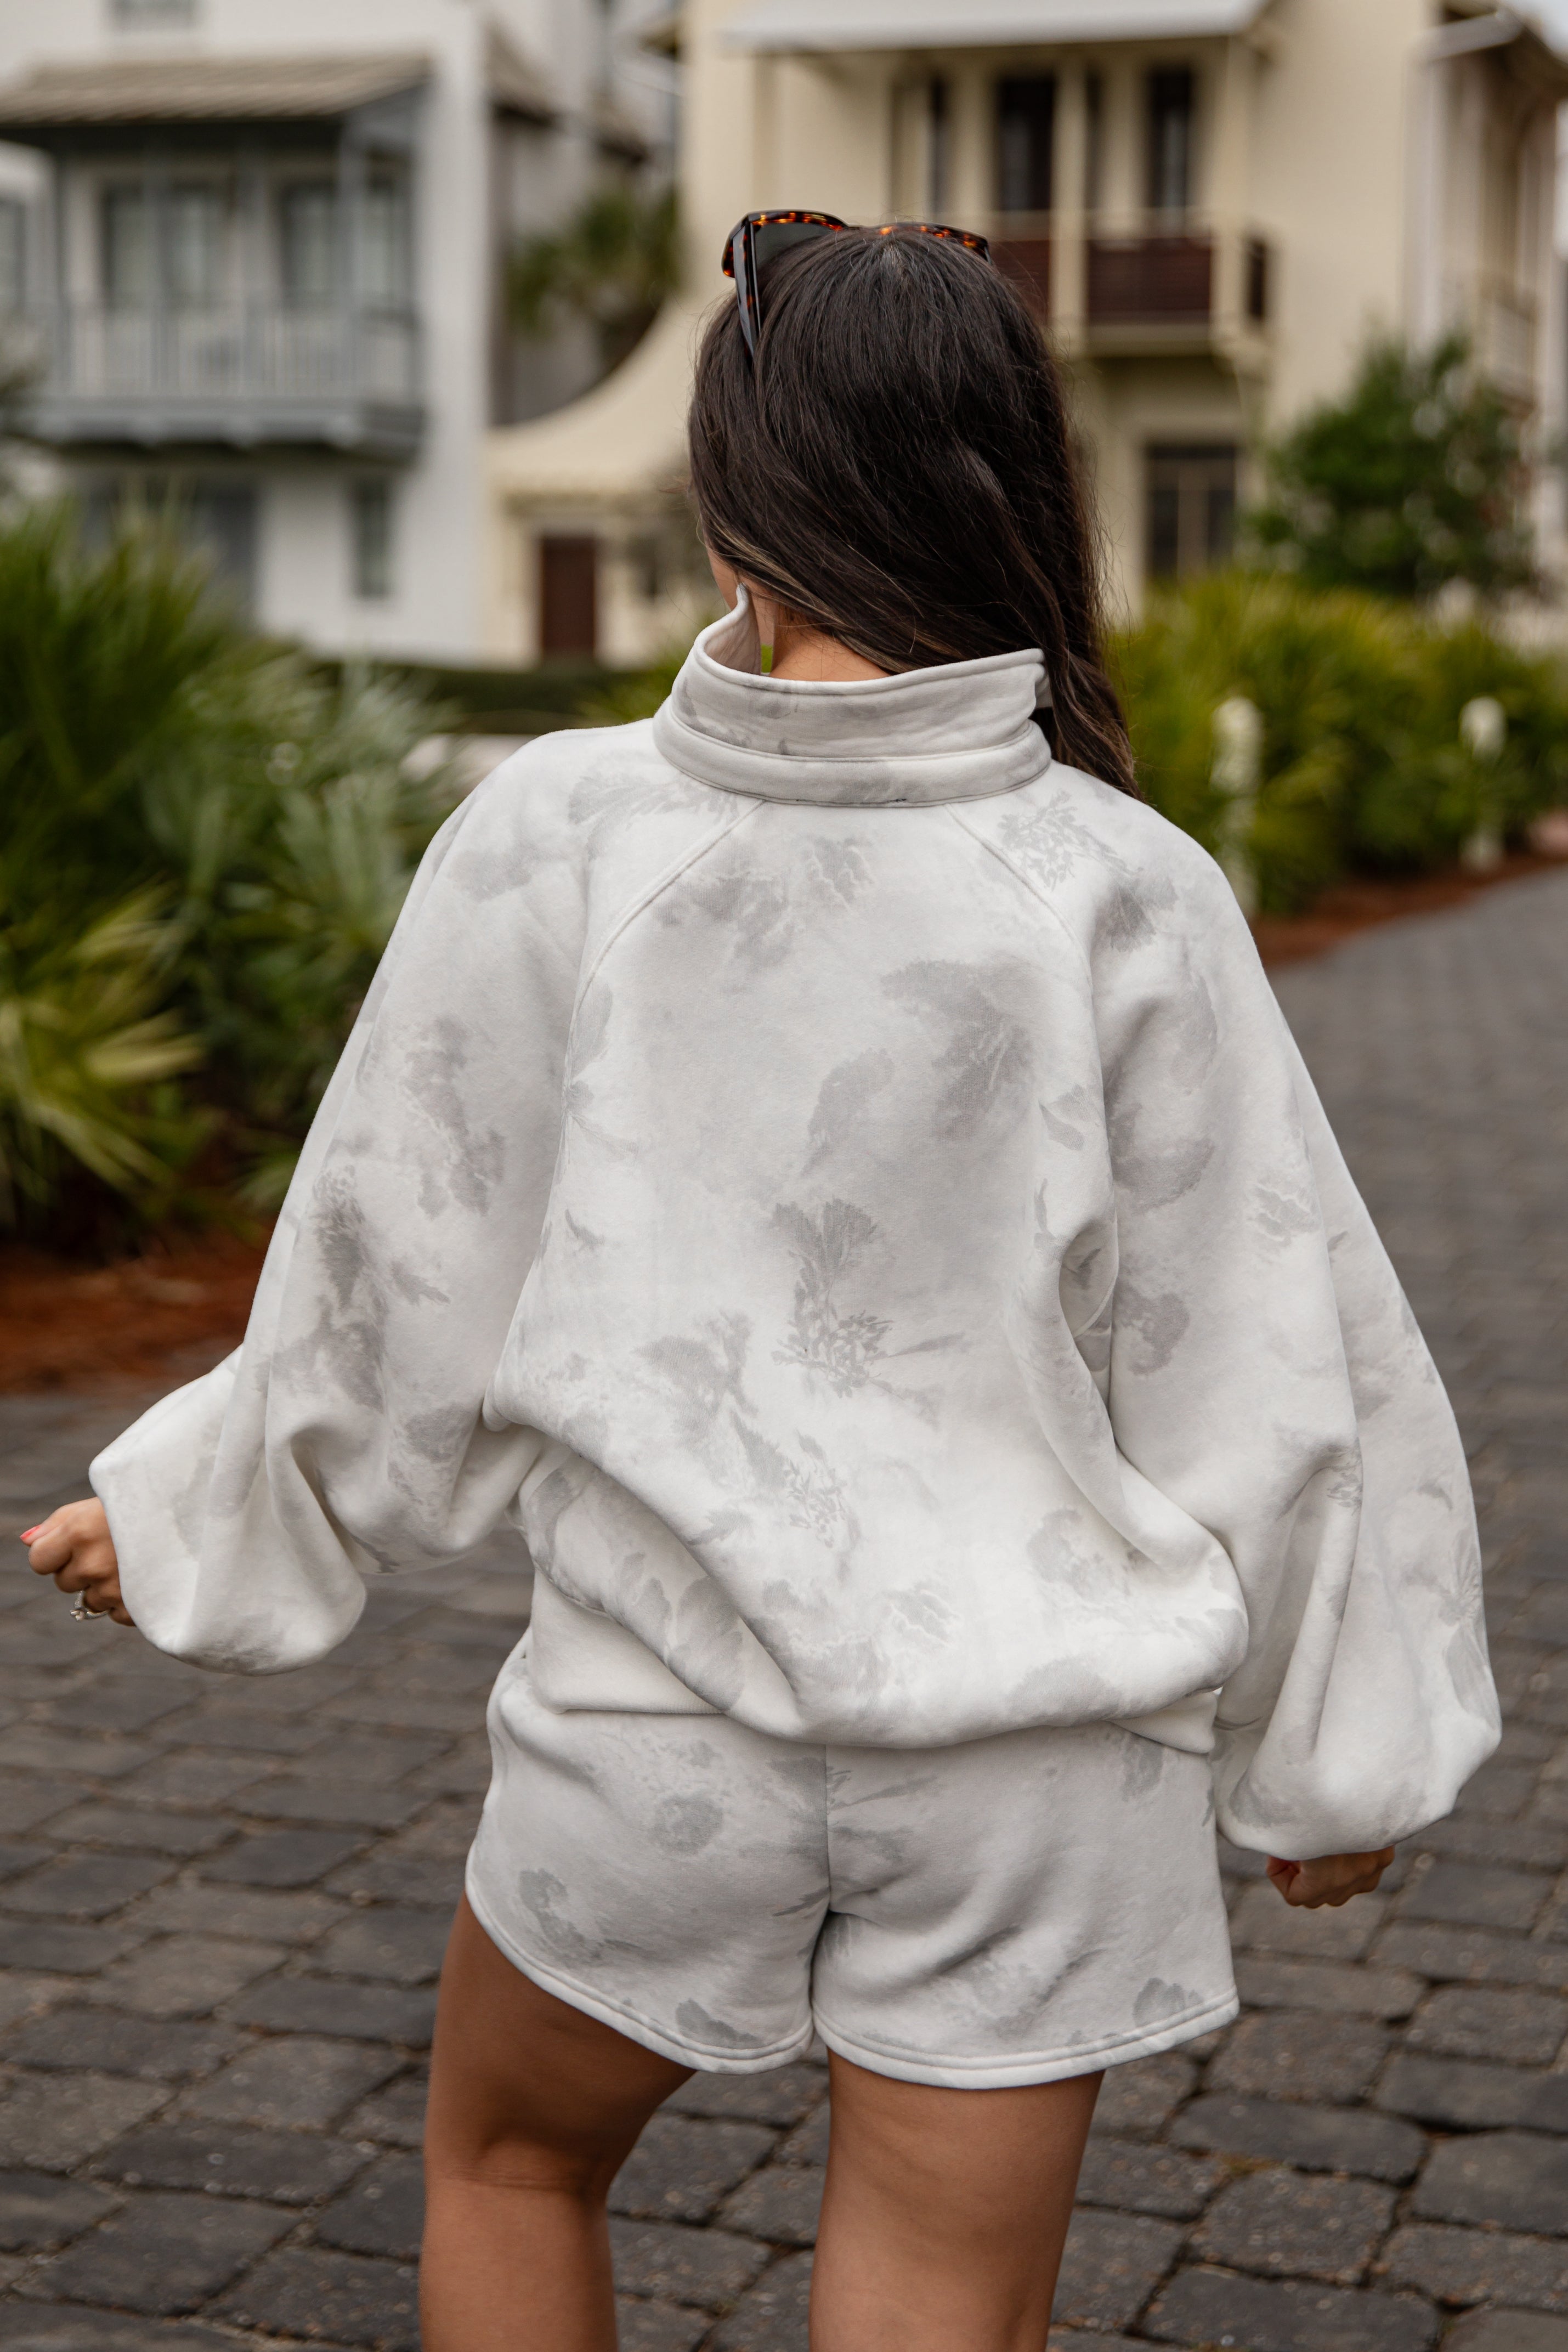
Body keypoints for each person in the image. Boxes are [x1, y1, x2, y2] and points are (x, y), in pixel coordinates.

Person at [26, 217, 1498, 2352]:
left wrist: (190, 1500)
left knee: (508, 2162)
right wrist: (1329, 1758)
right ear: (1007, 489)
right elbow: (1263, 1351)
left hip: (657, 1721)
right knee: (934, 2296)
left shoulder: (559, 832)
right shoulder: (1121, 882)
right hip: (1033, 1766)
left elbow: (396, 1245)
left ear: (740, 495)